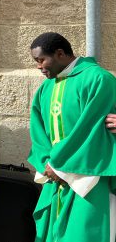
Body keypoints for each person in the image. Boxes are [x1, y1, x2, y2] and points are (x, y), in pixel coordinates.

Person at [28, 32, 116, 242]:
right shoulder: (45, 88)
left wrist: (59, 165)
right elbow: (37, 130)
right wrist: (46, 163)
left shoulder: (98, 79)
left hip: (89, 177)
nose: (39, 66)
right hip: (55, 178)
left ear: (60, 54)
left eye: (41, 60)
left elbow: (91, 127)